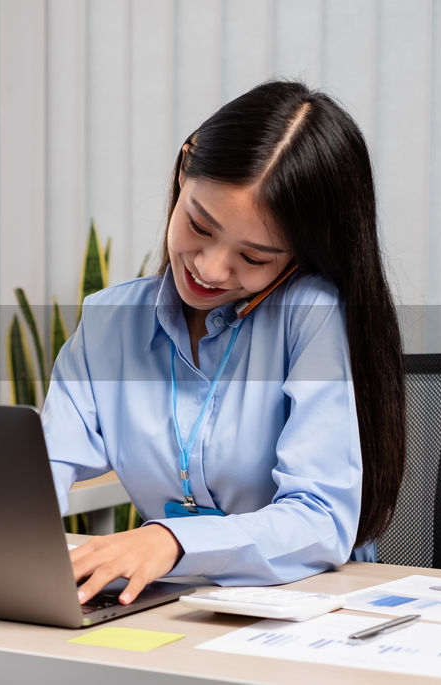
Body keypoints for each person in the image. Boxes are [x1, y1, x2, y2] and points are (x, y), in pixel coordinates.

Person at [42, 80, 405, 605]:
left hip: (308, 608)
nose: (210, 269)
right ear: (183, 171)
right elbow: (44, 465)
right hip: (170, 607)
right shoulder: (110, 321)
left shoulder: (311, 316)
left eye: (254, 257)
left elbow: (321, 519)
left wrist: (169, 540)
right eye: (198, 224)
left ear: (299, 256)